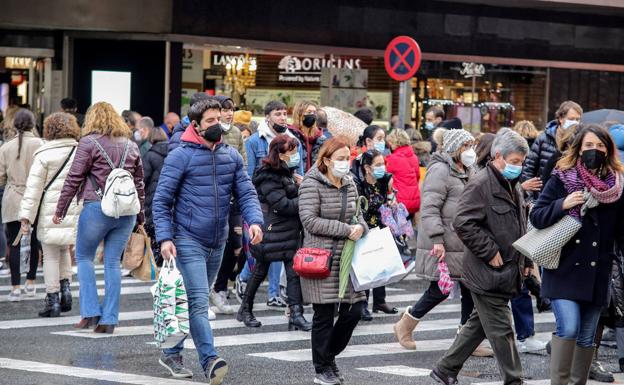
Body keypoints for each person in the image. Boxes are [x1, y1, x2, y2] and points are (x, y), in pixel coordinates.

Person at [152, 98, 263, 383]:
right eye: (211, 121)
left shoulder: (231, 156)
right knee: (200, 302)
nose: (218, 124)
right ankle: (210, 359)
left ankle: (171, 353)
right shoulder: (180, 155)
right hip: (187, 239)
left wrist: (255, 222)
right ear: (196, 126)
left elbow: (247, 193)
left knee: (193, 301)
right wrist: (164, 237)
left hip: (218, 240)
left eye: (219, 119)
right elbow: (161, 201)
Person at [430, 130, 532, 385]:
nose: (518, 167)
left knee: (478, 324)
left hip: (508, 267)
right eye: (515, 161)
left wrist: (527, 260)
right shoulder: (481, 183)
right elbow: (463, 222)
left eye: (521, 162)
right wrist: (489, 251)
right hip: (486, 270)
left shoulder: (511, 184)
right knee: (502, 328)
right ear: (499, 156)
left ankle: (445, 369)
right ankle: (514, 380)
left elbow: (520, 225)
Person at [530, 124, 624, 385]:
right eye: (589, 146)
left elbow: (621, 232)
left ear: (608, 150)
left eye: (600, 146)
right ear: (579, 149)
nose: (595, 151)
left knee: (586, 337)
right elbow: (537, 216)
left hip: (597, 272)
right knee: (569, 328)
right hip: (564, 267)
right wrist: (563, 204)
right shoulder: (562, 178)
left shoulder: (616, 186)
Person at [395, 128, 493, 357]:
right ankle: (405, 324)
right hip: (445, 241)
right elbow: (429, 208)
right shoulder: (440, 170)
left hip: (466, 242)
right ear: (455, 148)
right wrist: (437, 240)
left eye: (472, 146)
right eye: (466, 146)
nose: (470, 151)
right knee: (439, 289)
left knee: (471, 288)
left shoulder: (469, 169)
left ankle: (467, 340)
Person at [54, 102, 145, 334]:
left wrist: (60, 210)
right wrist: (141, 214)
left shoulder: (88, 142)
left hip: (97, 207)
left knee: (84, 257)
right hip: (126, 213)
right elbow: (139, 183)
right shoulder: (131, 145)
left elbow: (74, 178)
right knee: (113, 262)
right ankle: (109, 319)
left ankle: (90, 313)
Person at [299, 136, 368, 385]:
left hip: (349, 258)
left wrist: (360, 227)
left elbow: (358, 215)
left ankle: (328, 355)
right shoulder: (312, 183)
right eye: (340, 159)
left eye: (347, 158)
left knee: (355, 310)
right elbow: (309, 220)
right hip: (322, 257)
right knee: (324, 314)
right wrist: (345, 229)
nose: (345, 163)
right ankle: (322, 367)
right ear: (326, 160)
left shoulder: (350, 183)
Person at [237, 134, 312, 331]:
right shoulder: (267, 175)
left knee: (293, 273)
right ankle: (245, 309)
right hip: (271, 229)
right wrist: (303, 192)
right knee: (260, 270)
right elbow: (283, 205)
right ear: (279, 153)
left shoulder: (288, 172)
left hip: (288, 230)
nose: (296, 155)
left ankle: (296, 313)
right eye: (291, 151)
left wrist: (299, 185)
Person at [241, 100, 303, 309]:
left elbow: (298, 172)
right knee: (264, 263)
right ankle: (250, 296)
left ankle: (291, 308)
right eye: (278, 114)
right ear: (267, 116)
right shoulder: (254, 142)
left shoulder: (293, 140)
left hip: (288, 214)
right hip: (268, 212)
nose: (283, 117)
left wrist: (299, 186)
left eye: (285, 113)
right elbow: (250, 178)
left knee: (286, 263)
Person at [18, 112, 81, 317]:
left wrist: (26, 216)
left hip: (50, 212)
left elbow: (33, 189)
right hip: (73, 210)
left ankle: (52, 299)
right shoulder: (80, 151)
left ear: (49, 130)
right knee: (64, 250)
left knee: (51, 255)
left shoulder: (44, 153)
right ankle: (66, 292)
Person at [0, 108, 43, 301]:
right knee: (34, 241)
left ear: (15, 125)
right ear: (33, 124)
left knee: (14, 243)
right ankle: (31, 282)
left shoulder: (5, 147)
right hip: (34, 198)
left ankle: (15, 287)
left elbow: (1, 178)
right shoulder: (40, 144)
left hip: (13, 198)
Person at [351, 149, 397, 322]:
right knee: (366, 266)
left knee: (380, 265)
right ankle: (362, 304)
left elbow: (387, 200)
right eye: (378, 165)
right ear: (367, 168)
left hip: (380, 226)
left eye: (383, 164)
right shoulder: (358, 183)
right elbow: (357, 209)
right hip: (363, 227)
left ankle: (379, 301)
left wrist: (392, 200)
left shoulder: (384, 180)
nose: (382, 168)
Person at [211, 95, 247, 314]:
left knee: (236, 244)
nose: (228, 113)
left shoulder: (234, 133)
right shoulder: (211, 132)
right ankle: (208, 287)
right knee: (214, 243)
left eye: (230, 109)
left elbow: (243, 161)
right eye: (224, 109)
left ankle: (220, 287)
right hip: (213, 196)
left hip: (233, 196)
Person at [522, 100, 583, 202]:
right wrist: (530, 200)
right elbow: (528, 170)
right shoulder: (543, 139)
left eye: (578, 119)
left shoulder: (579, 140)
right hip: (541, 197)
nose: (575, 122)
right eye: (572, 119)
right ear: (560, 119)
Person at [142, 126, 169, 265]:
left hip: (152, 195)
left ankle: (156, 257)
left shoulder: (149, 155)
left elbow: (143, 178)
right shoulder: (174, 152)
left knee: (152, 225)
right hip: (168, 194)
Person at [385, 129, 421, 216]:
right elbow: (417, 177)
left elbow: (386, 180)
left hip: (399, 202)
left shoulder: (393, 159)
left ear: (396, 142)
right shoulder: (414, 157)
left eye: (391, 142)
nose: (390, 145)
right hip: (415, 201)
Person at [290, 100, 327, 172]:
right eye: (309, 112)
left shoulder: (320, 138)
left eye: (314, 112)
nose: (312, 115)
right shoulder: (291, 136)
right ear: (299, 114)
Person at [215, 95, 246, 165]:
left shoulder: (237, 131)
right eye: (225, 111)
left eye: (231, 110)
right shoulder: (211, 129)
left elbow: (243, 158)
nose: (230, 114)